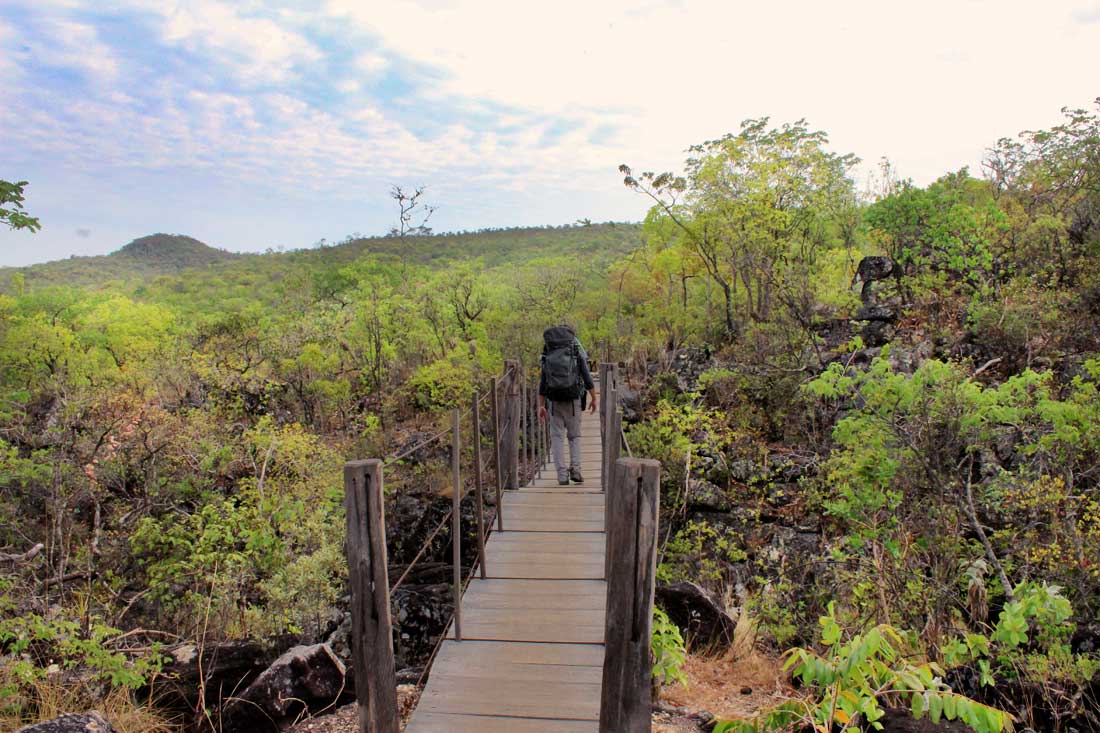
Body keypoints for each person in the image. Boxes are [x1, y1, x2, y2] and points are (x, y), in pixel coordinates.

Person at [537, 325, 597, 485]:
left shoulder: (548, 353)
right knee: (574, 436)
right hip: (573, 400)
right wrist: (594, 398)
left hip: (554, 401)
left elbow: (543, 382)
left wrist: (540, 405)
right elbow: (586, 376)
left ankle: (562, 476)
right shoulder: (575, 350)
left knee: (557, 438)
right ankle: (575, 469)